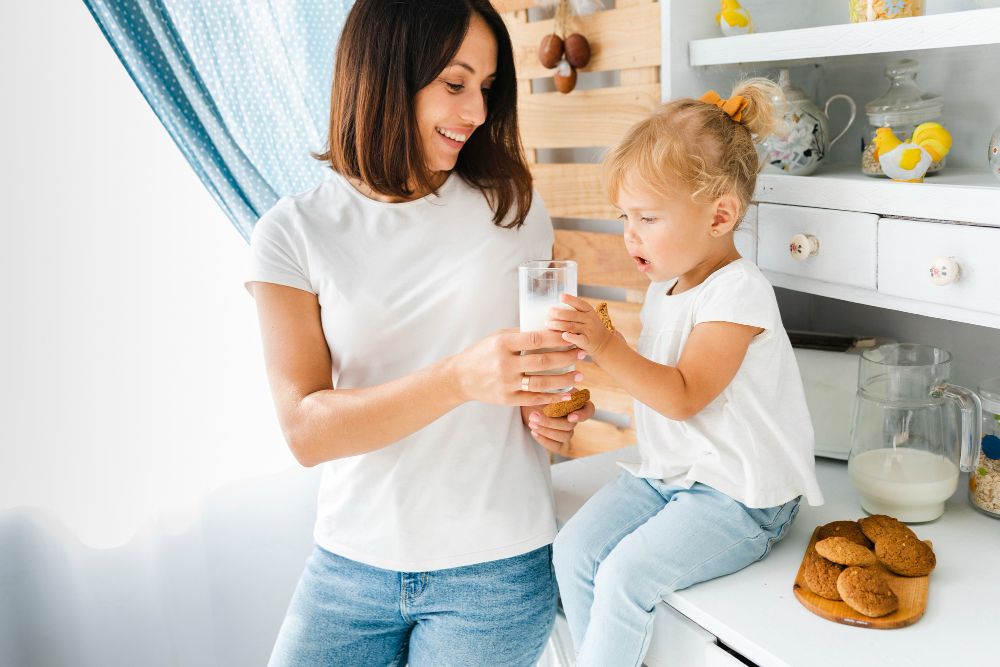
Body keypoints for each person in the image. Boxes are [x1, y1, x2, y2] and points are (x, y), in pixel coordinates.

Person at [245, 1, 595, 665]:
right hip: (349, 566)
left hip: (495, 568)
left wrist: (557, 410)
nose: (477, 113)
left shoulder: (515, 211)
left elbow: (545, 372)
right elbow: (306, 430)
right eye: (455, 84)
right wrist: (460, 378)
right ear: (383, 74)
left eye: (487, 88)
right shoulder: (292, 233)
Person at [544, 80, 825, 666]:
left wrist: (606, 345)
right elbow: (656, 381)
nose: (630, 234)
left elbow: (683, 396)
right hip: (670, 473)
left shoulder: (739, 292)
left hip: (739, 494)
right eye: (624, 216)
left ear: (720, 215)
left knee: (624, 576)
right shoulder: (666, 286)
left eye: (648, 217)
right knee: (572, 550)